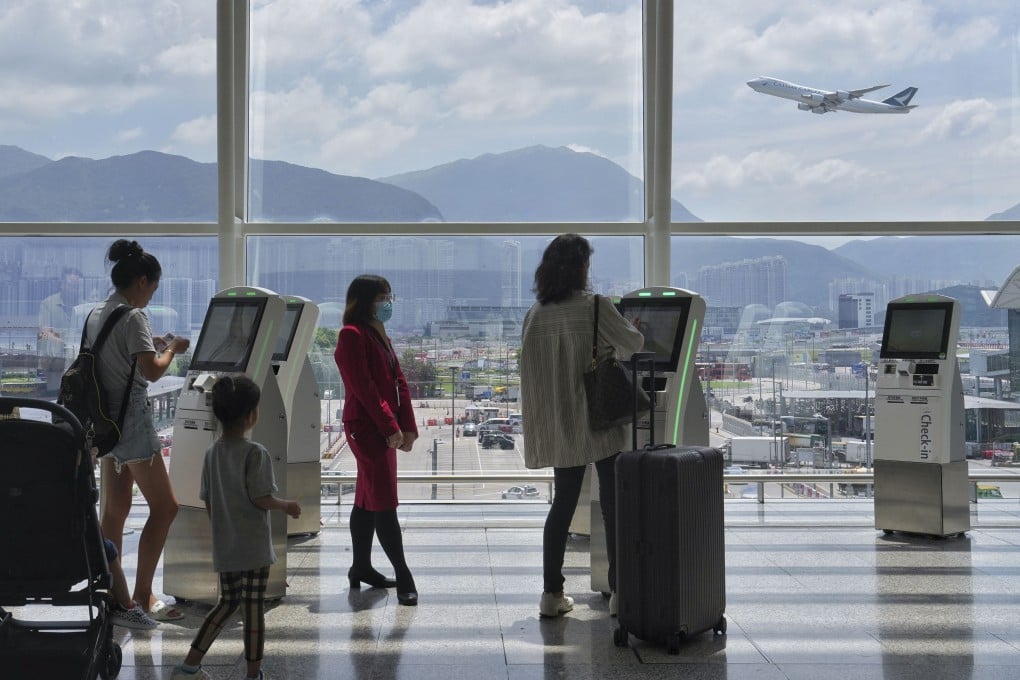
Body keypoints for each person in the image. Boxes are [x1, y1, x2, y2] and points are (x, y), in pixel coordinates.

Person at [519, 234, 644, 619]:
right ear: (581, 268)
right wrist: (632, 326)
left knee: (562, 507)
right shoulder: (595, 307)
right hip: (601, 420)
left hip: (561, 423)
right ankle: (620, 593)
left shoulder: (536, 314)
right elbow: (633, 343)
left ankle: (552, 594)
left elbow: (531, 371)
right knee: (613, 506)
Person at [171, 375, 300, 680]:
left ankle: (189, 665)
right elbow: (261, 497)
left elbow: (208, 500)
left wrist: (221, 528)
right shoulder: (255, 453)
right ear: (250, 415)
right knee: (253, 609)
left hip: (226, 544)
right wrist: (286, 505)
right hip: (253, 547)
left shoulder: (212, 453)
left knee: (227, 603)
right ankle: (253, 674)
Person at [91, 239, 191, 621]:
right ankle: (144, 595)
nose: (151, 296)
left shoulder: (100, 312)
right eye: (152, 288)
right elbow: (151, 370)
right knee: (166, 508)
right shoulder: (133, 317)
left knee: (114, 511)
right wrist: (173, 349)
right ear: (142, 281)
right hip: (131, 418)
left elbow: (117, 360)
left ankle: (116, 596)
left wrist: (154, 346)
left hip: (105, 421)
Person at [333, 275, 419, 606]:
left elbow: (399, 381)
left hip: (382, 426)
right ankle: (404, 575)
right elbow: (365, 388)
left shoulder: (378, 334)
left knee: (367, 498)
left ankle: (361, 568)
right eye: (382, 297)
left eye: (389, 295)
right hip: (366, 428)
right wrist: (389, 427)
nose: (388, 303)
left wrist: (407, 425)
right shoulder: (351, 335)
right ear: (364, 301)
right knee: (384, 501)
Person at [37, 266, 83, 392]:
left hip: (78, 362)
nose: (74, 289)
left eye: (76, 286)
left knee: (76, 396)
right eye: (70, 285)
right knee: (55, 396)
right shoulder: (48, 304)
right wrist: (65, 342)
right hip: (55, 363)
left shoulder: (83, 305)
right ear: (62, 284)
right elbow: (44, 332)